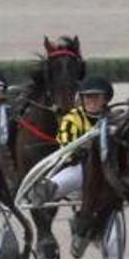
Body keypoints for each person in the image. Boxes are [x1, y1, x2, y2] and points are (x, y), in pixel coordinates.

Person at [29, 75, 114, 205]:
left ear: (105, 99)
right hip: (82, 167)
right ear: (82, 99)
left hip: (111, 168)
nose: (92, 100)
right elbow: (67, 148)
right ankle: (48, 190)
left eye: (96, 96)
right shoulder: (71, 119)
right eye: (88, 97)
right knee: (83, 169)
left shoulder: (114, 118)